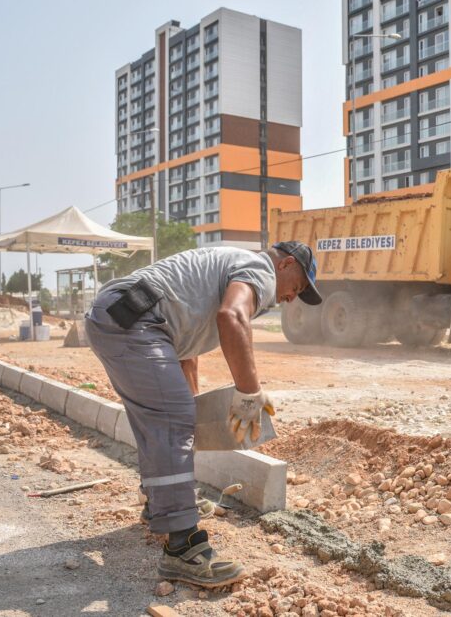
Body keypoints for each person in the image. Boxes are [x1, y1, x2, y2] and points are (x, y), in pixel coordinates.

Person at [85, 242, 322, 588]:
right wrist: (250, 396)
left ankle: (161, 506)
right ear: (285, 264)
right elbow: (233, 317)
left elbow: (184, 349)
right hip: (137, 320)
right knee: (169, 421)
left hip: (121, 314)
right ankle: (182, 548)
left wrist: (189, 415)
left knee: (165, 421)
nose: (291, 298)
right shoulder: (259, 269)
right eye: (296, 287)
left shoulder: (224, 264)